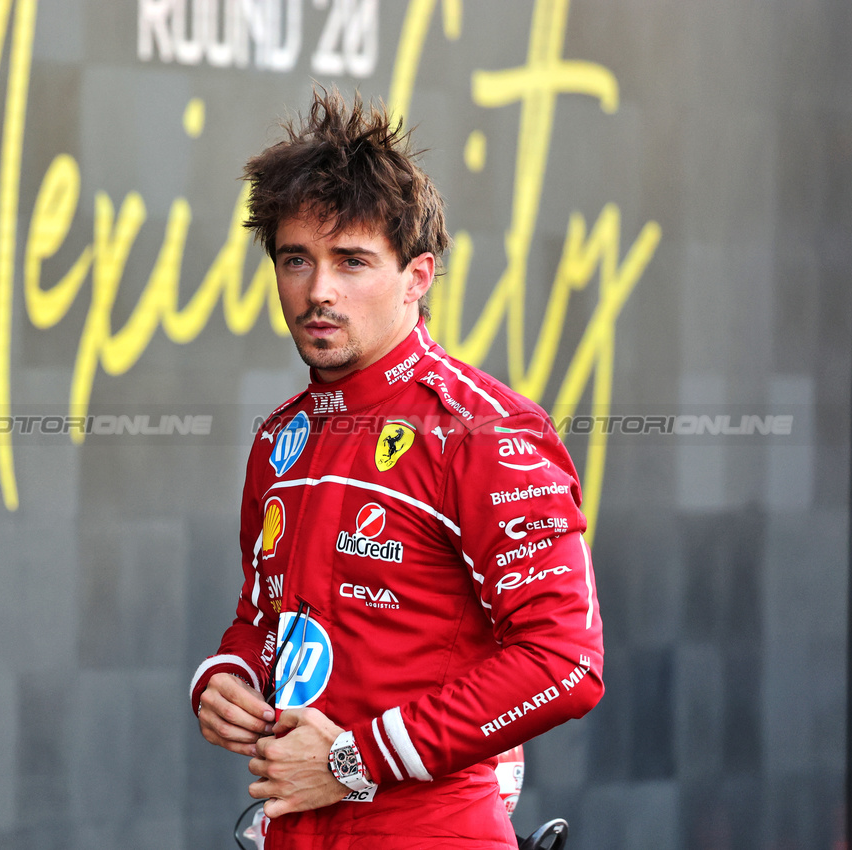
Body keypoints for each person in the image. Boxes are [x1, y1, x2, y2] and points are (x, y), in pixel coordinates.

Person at [189, 88, 605, 849]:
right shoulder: (280, 438)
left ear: (418, 276)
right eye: (296, 260)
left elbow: (564, 663)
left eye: (352, 262)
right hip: (291, 829)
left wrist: (352, 761)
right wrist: (228, 678)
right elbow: (263, 617)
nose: (319, 291)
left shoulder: (487, 431)